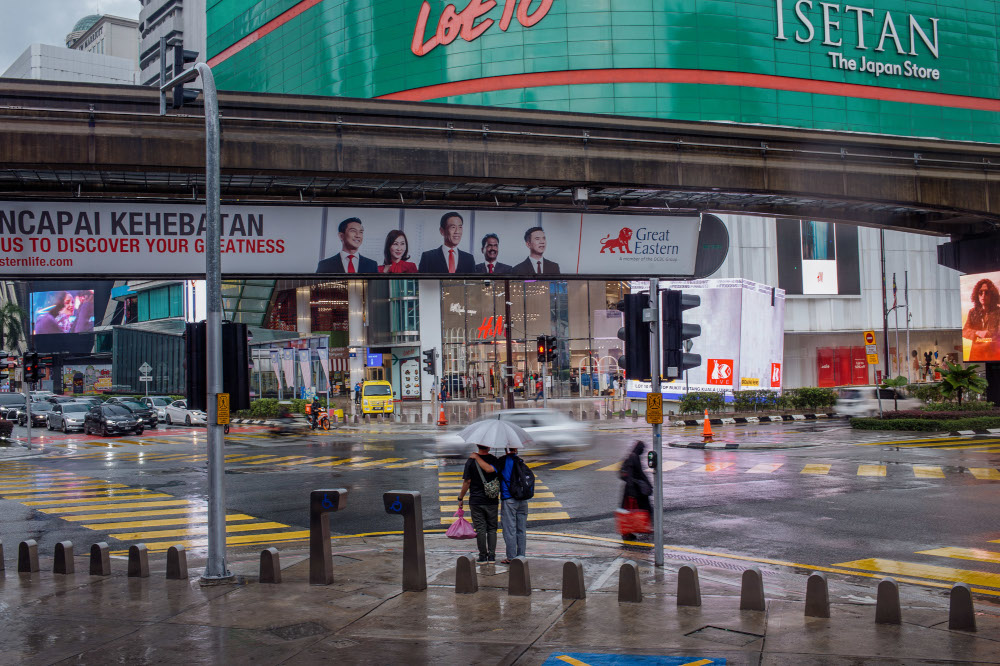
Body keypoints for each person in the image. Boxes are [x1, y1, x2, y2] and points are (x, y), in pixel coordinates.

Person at [456, 443, 500, 562]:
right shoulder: (494, 460)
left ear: (477, 446)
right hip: (492, 500)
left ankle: (482, 555)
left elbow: (467, 482)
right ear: (489, 446)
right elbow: (493, 471)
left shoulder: (470, 461)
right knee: (492, 529)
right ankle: (491, 555)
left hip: (476, 500)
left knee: (480, 529)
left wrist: (460, 498)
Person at [498, 446, 528, 564]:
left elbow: (492, 471)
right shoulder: (520, 461)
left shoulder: (503, 460)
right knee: (521, 529)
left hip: (509, 499)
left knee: (509, 529)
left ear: (506, 449)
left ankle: (511, 557)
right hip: (522, 499)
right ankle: (521, 556)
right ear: (516, 449)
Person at [620, 440, 653, 540]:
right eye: (642, 449)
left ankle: (634, 530)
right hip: (634, 491)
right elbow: (631, 475)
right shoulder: (633, 458)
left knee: (633, 511)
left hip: (634, 490)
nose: (643, 451)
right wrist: (632, 491)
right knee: (638, 510)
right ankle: (629, 532)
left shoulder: (633, 456)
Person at [963, 278, 1000, 361]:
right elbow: (965, 331)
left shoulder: (998, 312)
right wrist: (977, 332)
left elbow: (998, 333)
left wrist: (987, 335)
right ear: (977, 295)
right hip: (976, 355)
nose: (983, 295)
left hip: (994, 354)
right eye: (980, 292)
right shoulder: (972, 312)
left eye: (986, 292)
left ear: (992, 295)